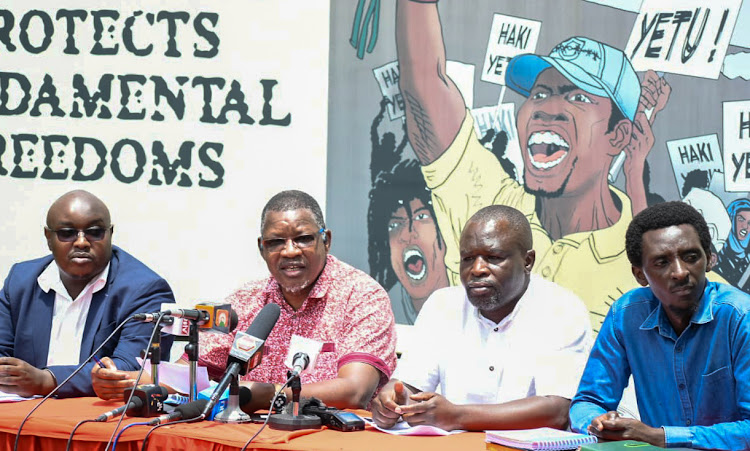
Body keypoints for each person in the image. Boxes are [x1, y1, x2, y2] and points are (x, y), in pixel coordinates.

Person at [395, 0, 672, 333]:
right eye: (540, 93)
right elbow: (425, 90)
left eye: (578, 97)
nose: (547, 109)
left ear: (618, 135)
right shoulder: (491, 207)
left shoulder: (648, 260)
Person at [372, 205, 592, 431]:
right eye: (467, 258)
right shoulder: (442, 305)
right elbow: (409, 386)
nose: (477, 269)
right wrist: (392, 401)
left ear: (527, 261)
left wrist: (457, 416)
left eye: (493, 257)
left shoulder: (562, 309)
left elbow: (557, 411)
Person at [569, 201, 750, 450]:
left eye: (691, 257)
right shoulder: (626, 315)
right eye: (662, 262)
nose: (679, 272)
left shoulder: (741, 316)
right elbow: (587, 401)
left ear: (709, 259)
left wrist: (660, 436)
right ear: (640, 274)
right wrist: (598, 422)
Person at [201, 190, 397, 411]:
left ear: (326, 240)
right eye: (276, 242)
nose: (290, 251)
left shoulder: (362, 295)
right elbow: (191, 375)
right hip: (246, 438)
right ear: (261, 248)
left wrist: (267, 395)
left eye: (303, 239)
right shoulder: (244, 300)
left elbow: (355, 392)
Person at [0, 190, 174, 398]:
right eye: (67, 232)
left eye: (94, 231)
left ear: (110, 233)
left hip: (97, 419)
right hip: (22, 415)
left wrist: (47, 380)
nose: (81, 242)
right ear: (48, 237)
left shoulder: (145, 289)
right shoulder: (21, 281)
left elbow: (129, 370)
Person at [368, 158, 449, 324]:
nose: (407, 234)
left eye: (421, 217)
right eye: (395, 225)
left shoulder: (473, 305)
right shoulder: (377, 312)